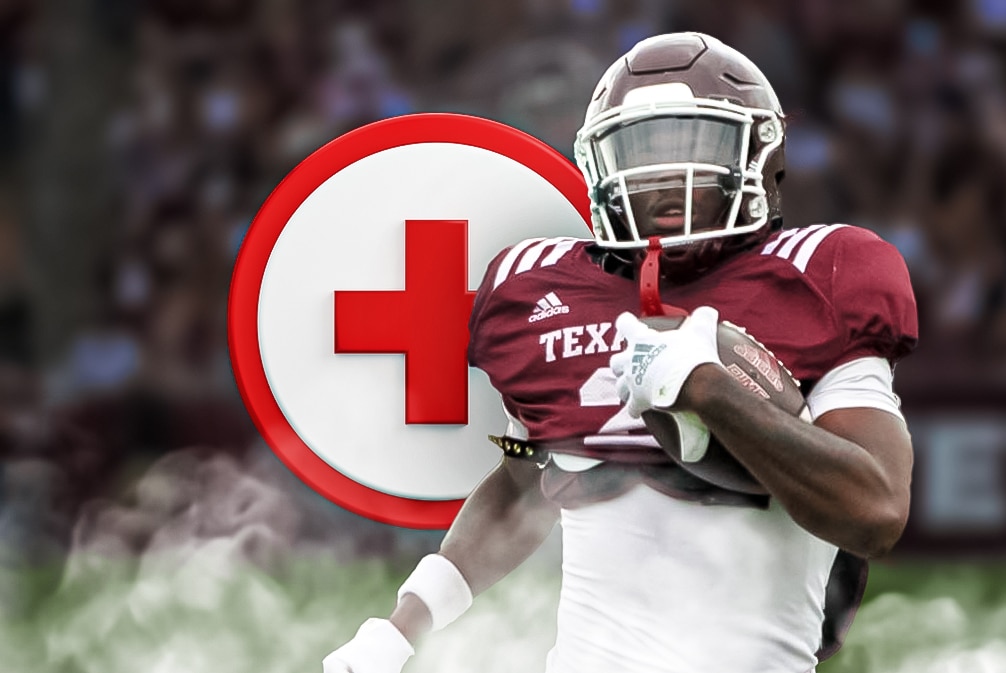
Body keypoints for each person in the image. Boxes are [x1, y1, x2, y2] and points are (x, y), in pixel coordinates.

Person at [324, 31, 918, 673]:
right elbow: (523, 485)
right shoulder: (539, 285)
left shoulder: (819, 274)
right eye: (637, 152)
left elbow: (875, 511)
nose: (663, 178)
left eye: (695, 145)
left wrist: (709, 391)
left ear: (762, 158)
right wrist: (402, 627)